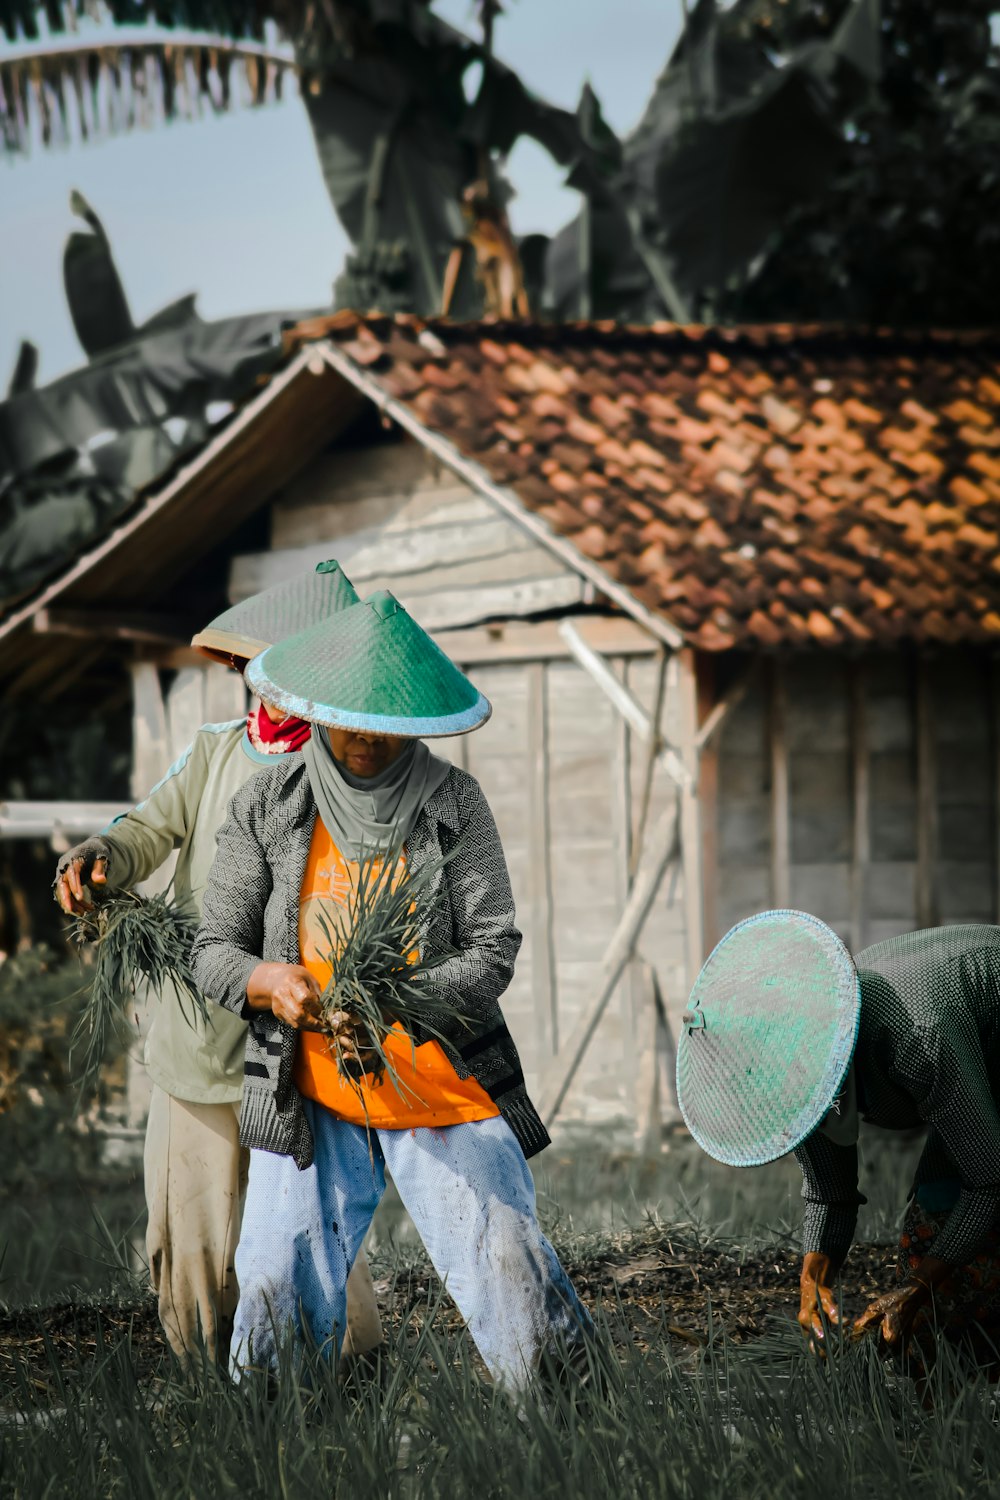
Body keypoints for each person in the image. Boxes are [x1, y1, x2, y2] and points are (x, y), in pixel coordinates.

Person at [192, 590, 594, 1391]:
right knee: (275, 1278)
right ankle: (270, 1432)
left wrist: (393, 1000)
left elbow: (492, 948)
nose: (367, 739)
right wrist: (269, 982)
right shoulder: (270, 804)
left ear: (415, 722)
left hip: (436, 1077)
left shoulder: (452, 804)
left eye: (387, 723)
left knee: (507, 1260)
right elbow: (213, 950)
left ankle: (572, 1425)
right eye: (349, 718)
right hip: (306, 1087)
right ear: (318, 710)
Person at [54, 562, 383, 1368]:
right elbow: (143, 830)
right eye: (252, 670)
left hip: (300, 1054)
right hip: (197, 1046)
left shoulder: (353, 774)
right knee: (193, 1250)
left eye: (281, 672)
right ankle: (213, 1400)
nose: (260, 686)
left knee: (318, 1244)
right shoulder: (213, 754)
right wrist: (101, 856)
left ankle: (345, 1384)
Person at [676, 912, 1000, 1369]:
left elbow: (988, 1181)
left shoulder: (914, 1036)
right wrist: (814, 1274)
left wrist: (917, 1285)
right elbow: (830, 1192)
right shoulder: (801, 1080)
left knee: (949, 1264)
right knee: (929, 1239)